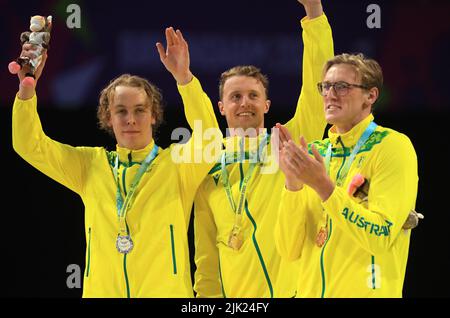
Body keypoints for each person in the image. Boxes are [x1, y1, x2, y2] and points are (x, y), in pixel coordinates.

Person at [12, 28, 221, 297]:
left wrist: (185, 79)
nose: (130, 119)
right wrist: (27, 90)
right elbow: (29, 145)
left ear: (154, 115)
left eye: (139, 110)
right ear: (108, 118)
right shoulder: (90, 165)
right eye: (120, 111)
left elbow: (211, 141)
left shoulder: (178, 166)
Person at [185, 0, 334, 297]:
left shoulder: (288, 142)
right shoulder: (210, 162)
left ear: (266, 104)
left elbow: (316, 91)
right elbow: (205, 251)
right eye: (236, 96)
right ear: (221, 106)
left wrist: (314, 13)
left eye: (253, 95)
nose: (245, 102)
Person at [274, 53, 419, 297]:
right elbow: (288, 250)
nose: (330, 94)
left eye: (341, 86)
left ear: (370, 96)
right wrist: (292, 183)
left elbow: (380, 236)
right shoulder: (315, 154)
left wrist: (324, 187)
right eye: (325, 86)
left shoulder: (392, 147)